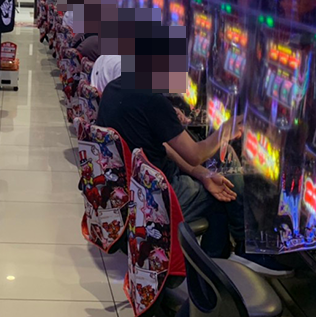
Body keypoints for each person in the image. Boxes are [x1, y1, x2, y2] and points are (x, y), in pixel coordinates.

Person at [96, 76, 292, 276]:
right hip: (152, 197)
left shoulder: (115, 87)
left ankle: (236, 249)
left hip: (125, 187)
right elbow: (195, 154)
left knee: (222, 162)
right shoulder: (152, 100)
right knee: (220, 198)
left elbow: (164, 146)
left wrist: (202, 173)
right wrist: (225, 130)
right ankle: (218, 267)